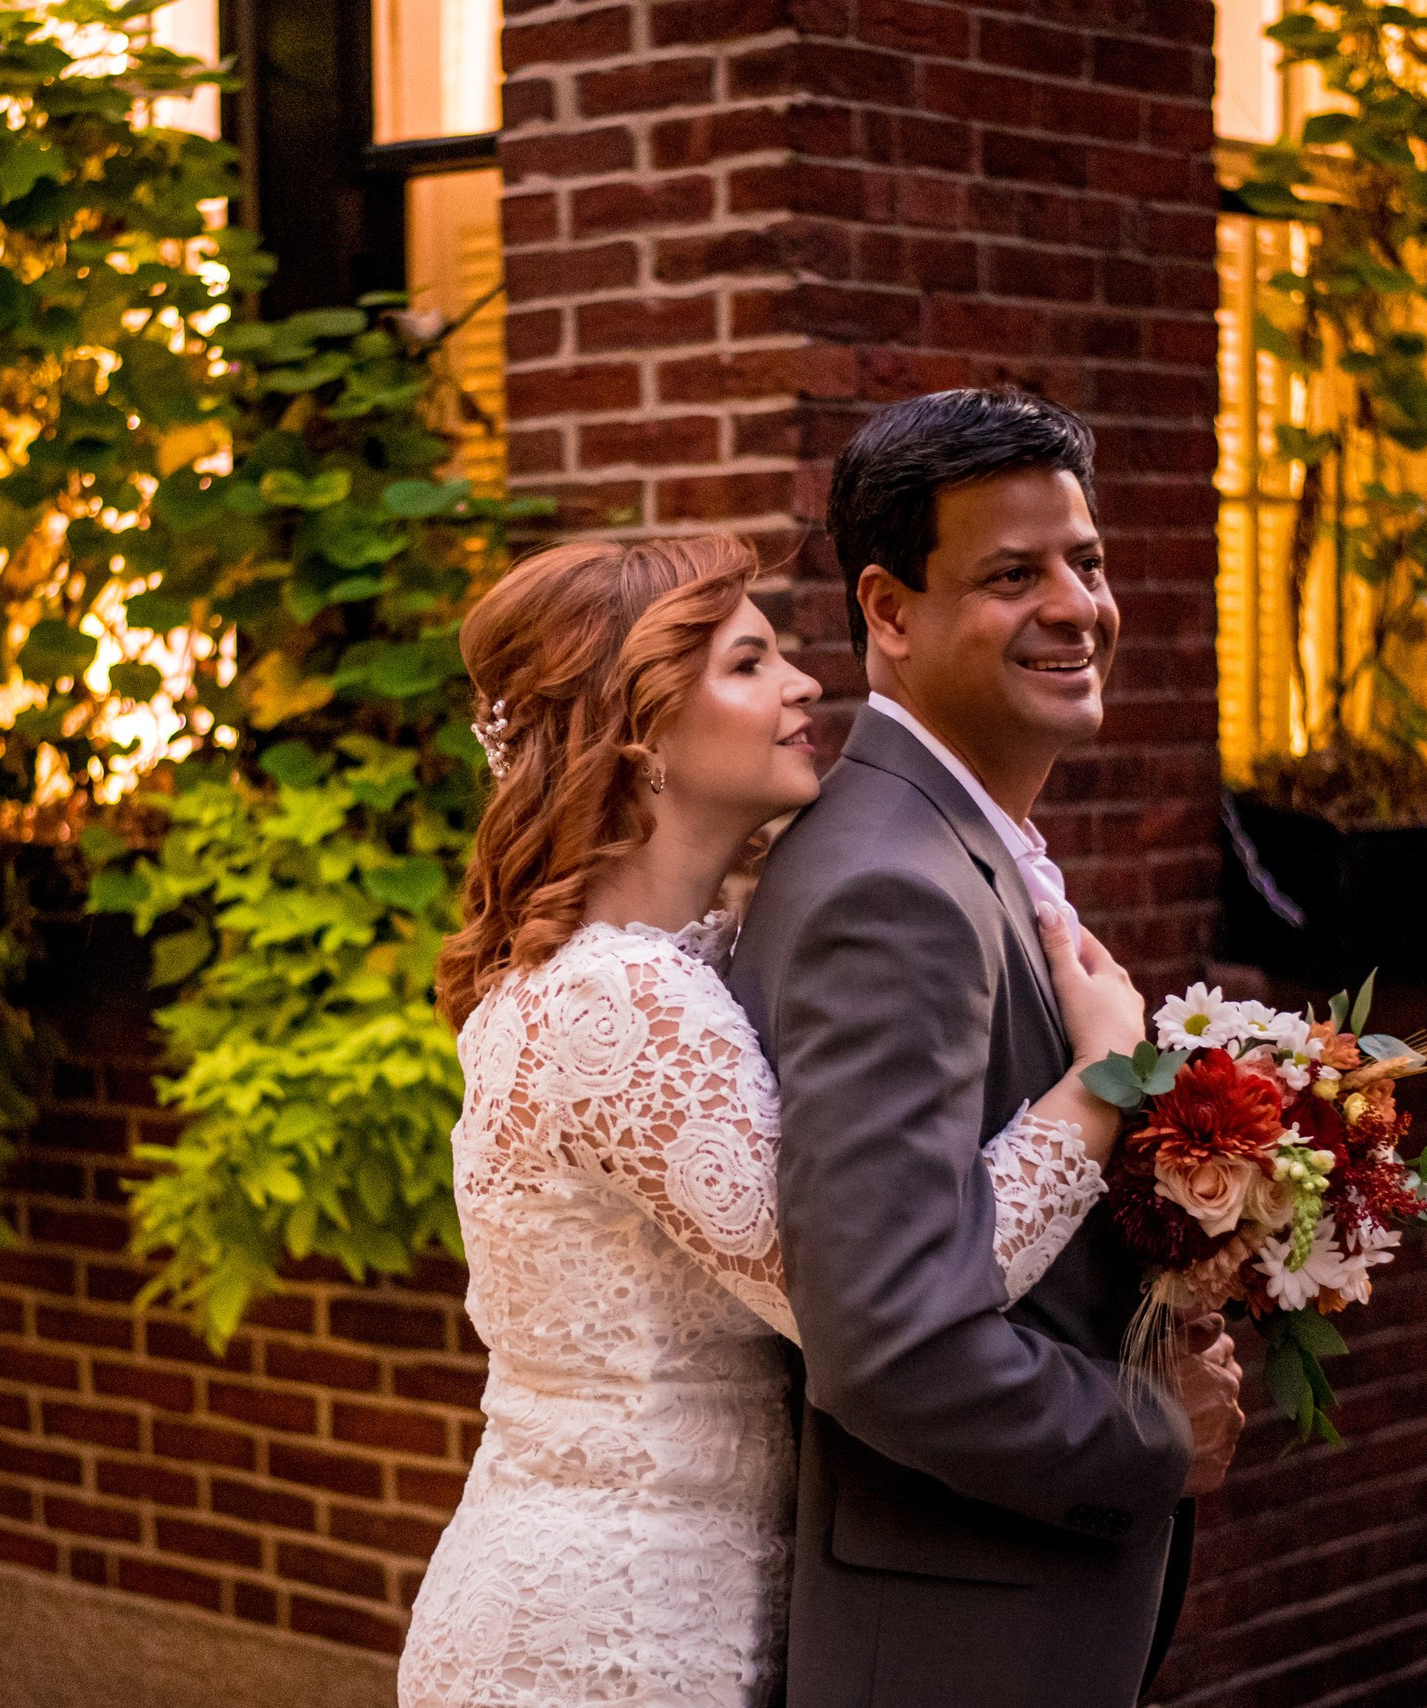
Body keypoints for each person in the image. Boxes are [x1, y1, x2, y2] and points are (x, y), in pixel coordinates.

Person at [398, 534, 1154, 1708]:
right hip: (612, 1635)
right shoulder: (616, 1004)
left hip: (698, 1601)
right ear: (637, 736)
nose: (806, 683)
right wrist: (1101, 1080)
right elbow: (871, 1299)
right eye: (749, 663)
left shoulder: (685, 965)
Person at [728, 387, 1245, 1708]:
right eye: (1014, 575)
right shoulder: (887, 889)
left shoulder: (951, 847)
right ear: (890, 613)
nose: (1078, 607)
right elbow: (892, 1345)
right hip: (954, 1648)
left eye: (1088, 560)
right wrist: (1149, 1431)